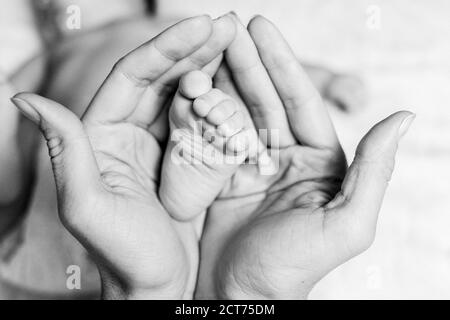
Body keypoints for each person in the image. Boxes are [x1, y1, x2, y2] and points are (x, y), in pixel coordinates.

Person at [11, 13, 413, 299]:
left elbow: (270, 67)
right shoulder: (56, 50)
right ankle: (190, 162)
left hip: (140, 139)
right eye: (44, 5)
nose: (53, 6)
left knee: (200, 94)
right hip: (93, 158)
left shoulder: (168, 27)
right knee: (26, 170)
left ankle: (190, 154)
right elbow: (13, 95)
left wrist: (329, 79)